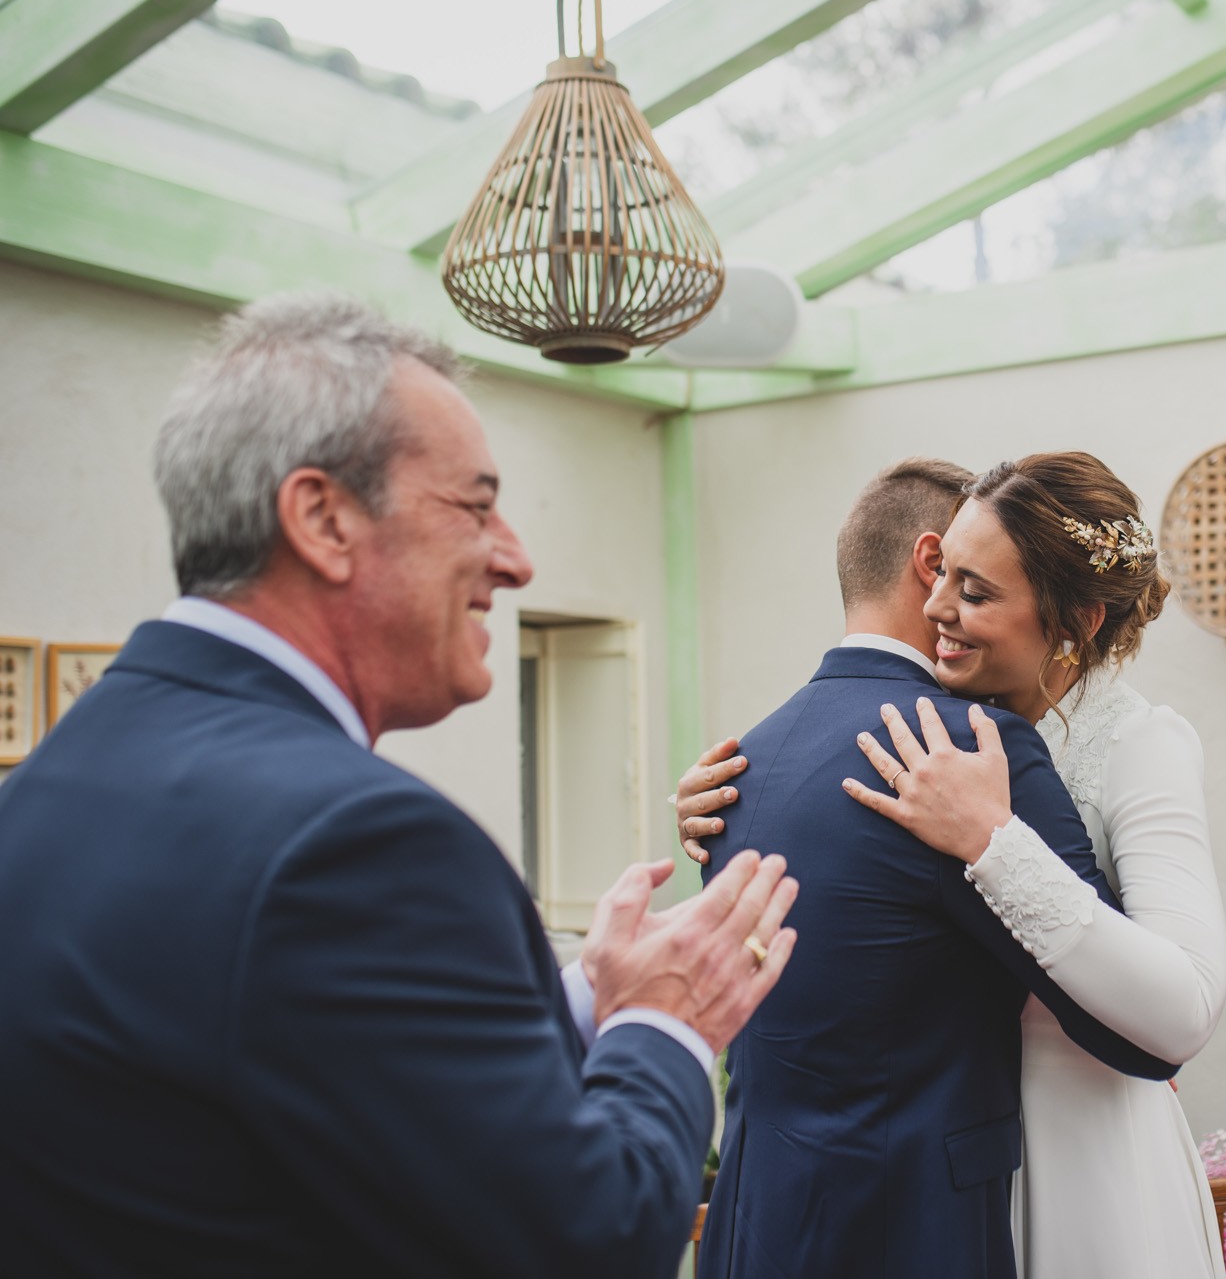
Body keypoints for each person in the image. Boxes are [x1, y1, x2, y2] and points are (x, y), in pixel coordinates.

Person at [0, 293, 797, 1277]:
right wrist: (665, 1021)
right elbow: (587, 1238)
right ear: (323, 518)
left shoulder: (51, 782)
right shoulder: (361, 843)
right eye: (475, 505)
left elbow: (296, 1060)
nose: (514, 557)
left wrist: (590, 995)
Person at [685, 452, 1226, 1279]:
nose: (936, 606)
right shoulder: (942, 733)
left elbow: (1185, 1007)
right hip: (953, 1191)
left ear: (1076, 620)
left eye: (973, 591)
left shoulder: (1140, 744)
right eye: (942, 578)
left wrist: (995, 844)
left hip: (1087, 1168)